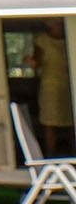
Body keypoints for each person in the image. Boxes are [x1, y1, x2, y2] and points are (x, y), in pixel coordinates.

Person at [35, 21, 72, 161]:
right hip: (50, 87)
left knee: (71, 122)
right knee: (50, 122)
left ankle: (72, 154)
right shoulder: (42, 40)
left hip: (69, 85)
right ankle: (50, 157)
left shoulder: (70, 35)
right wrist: (32, 62)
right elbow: (37, 62)